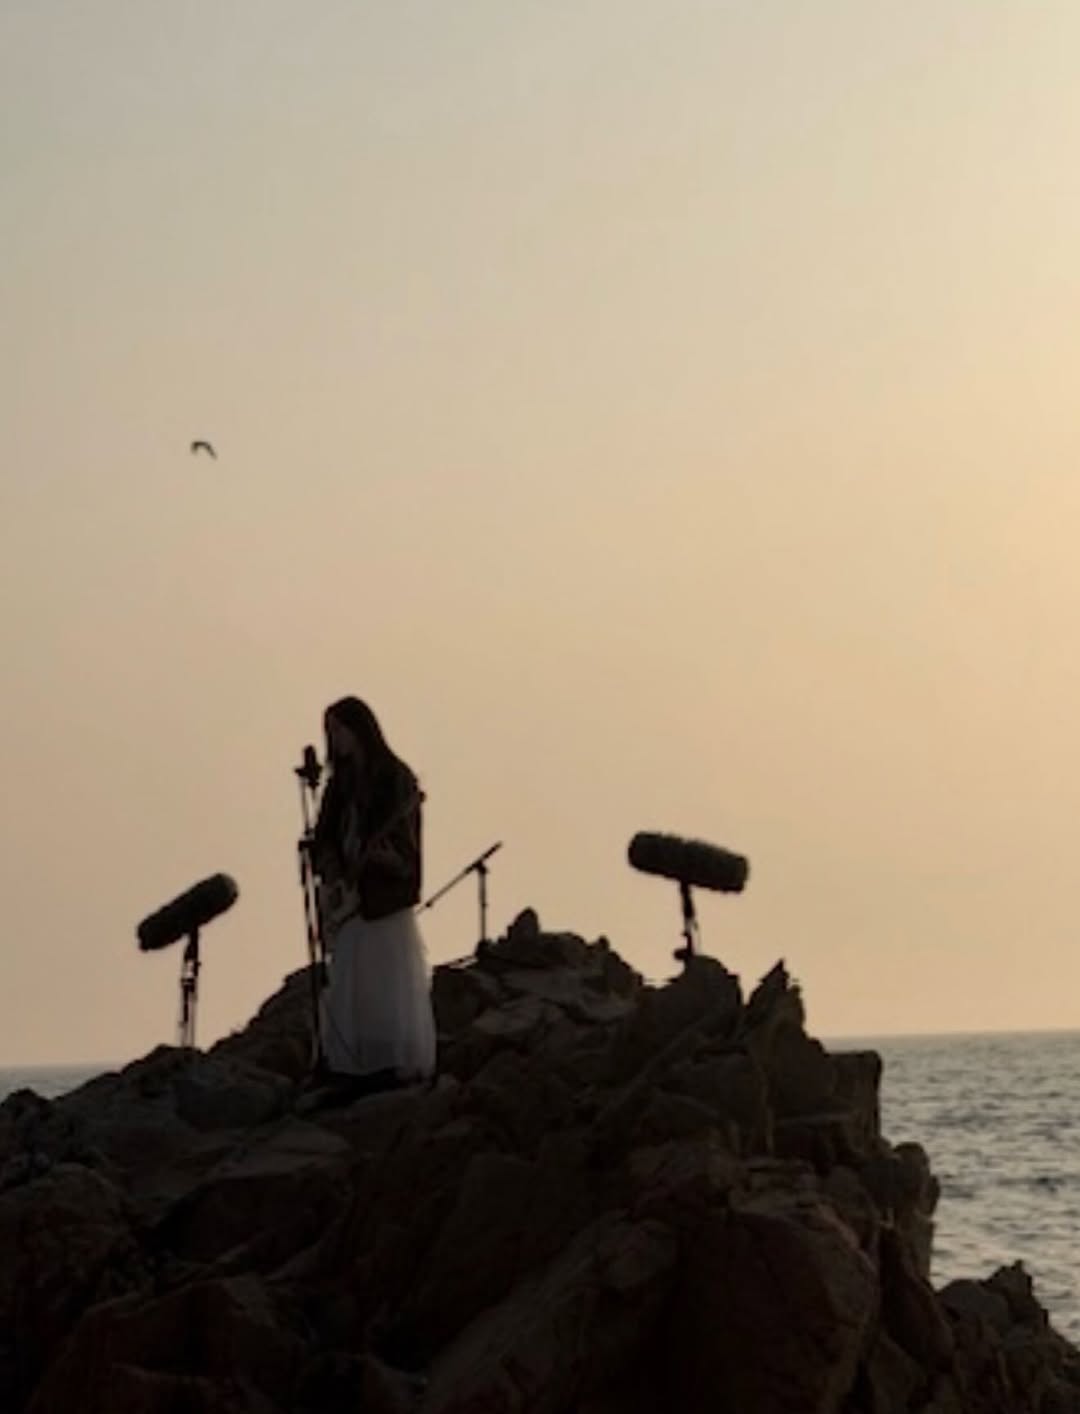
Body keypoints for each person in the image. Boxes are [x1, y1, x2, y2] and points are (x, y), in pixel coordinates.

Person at [310, 696, 436, 1095]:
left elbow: (406, 845)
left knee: (385, 981)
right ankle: (353, 1063)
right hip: (348, 897)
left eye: (340, 730)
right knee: (351, 980)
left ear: (360, 730)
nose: (336, 739)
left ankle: (390, 1062)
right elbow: (324, 838)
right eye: (330, 732)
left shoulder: (395, 779)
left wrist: (385, 859)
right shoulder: (339, 785)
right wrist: (334, 873)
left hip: (382, 897)